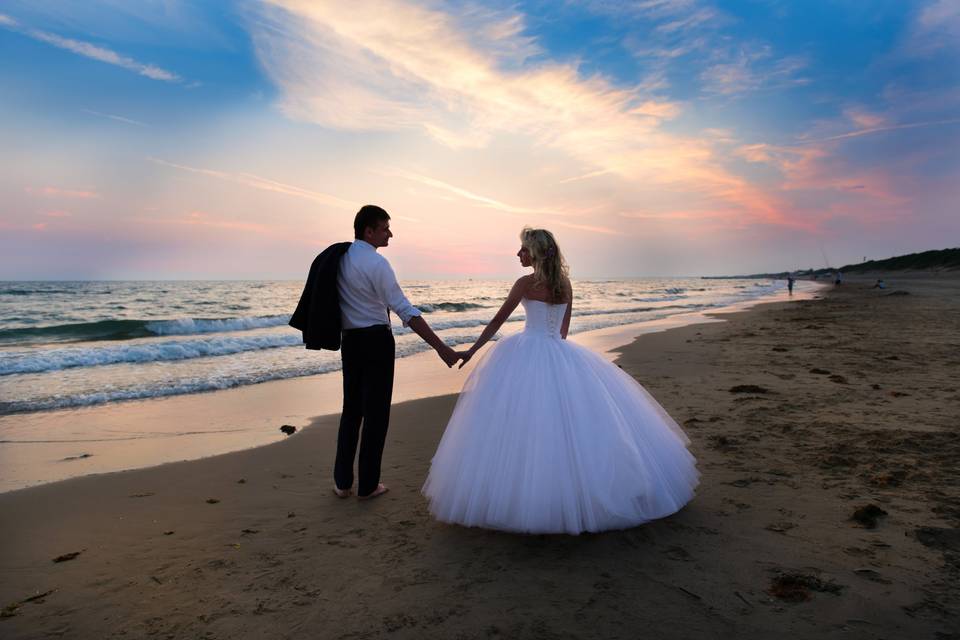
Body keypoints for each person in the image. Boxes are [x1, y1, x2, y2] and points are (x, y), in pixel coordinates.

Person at [421, 227, 699, 534]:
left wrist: (473, 350)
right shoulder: (564, 284)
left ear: (535, 253)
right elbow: (563, 331)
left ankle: (528, 495)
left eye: (522, 249)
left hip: (527, 350)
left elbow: (498, 321)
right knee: (570, 424)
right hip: (560, 351)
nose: (518, 254)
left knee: (523, 424)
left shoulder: (525, 283)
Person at [291, 205, 459, 501]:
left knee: (351, 411)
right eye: (385, 228)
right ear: (369, 231)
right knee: (377, 414)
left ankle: (342, 483)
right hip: (377, 342)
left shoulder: (341, 258)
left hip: (352, 342)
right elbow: (405, 310)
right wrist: (440, 347)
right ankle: (368, 486)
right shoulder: (378, 265)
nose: (390, 233)